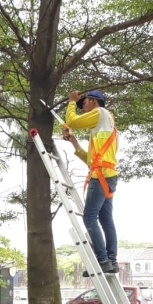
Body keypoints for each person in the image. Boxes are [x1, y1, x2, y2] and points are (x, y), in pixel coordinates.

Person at [63, 89, 119, 276]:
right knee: (106, 221)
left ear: (94, 101)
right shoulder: (105, 126)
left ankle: (102, 260)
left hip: (100, 176)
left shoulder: (100, 113)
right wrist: (74, 142)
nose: (82, 107)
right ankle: (111, 261)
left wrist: (71, 102)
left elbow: (72, 121)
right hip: (108, 175)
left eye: (84, 103)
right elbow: (91, 159)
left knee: (89, 218)